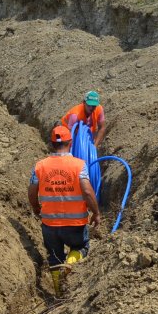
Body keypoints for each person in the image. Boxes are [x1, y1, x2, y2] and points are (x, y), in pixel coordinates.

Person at [28, 126, 101, 297]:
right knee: (81, 247)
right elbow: (88, 191)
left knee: (54, 257)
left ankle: (59, 294)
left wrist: (36, 208)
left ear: (52, 143)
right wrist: (96, 212)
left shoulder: (40, 166)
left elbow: (32, 191)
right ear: (70, 143)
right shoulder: (79, 165)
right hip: (75, 224)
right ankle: (71, 262)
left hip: (49, 223)